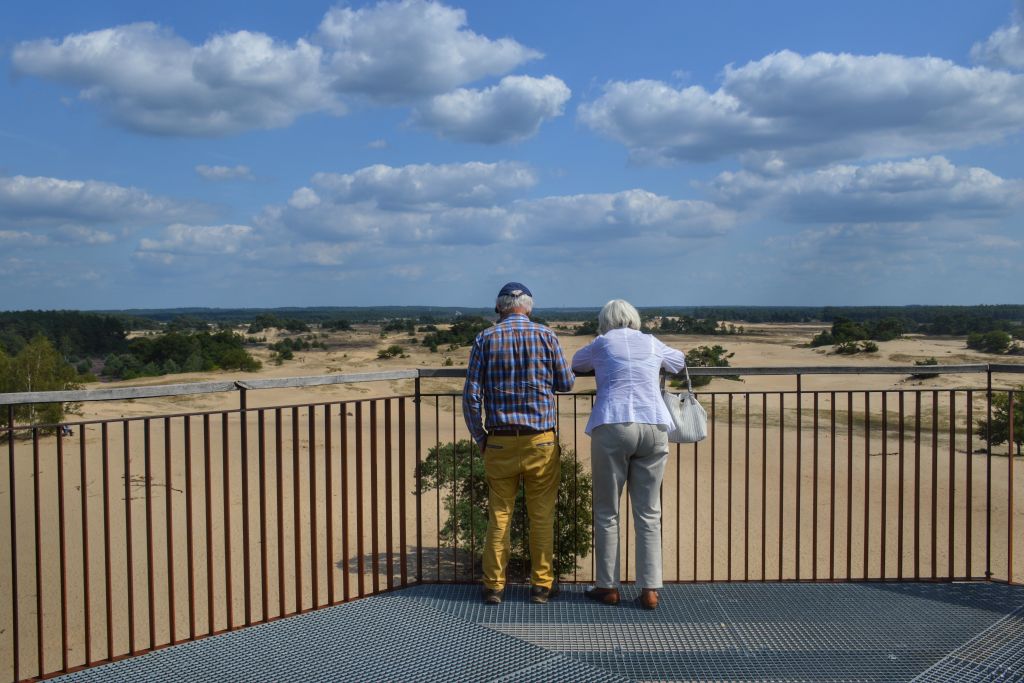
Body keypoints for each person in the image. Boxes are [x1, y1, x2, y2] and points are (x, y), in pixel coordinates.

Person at [463, 282, 575, 605]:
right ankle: (541, 585)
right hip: (540, 442)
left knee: (500, 515)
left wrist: (481, 438)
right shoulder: (546, 336)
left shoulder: (485, 339)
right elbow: (566, 383)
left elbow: (471, 397)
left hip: (499, 442)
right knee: (541, 515)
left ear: (499, 309)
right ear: (529, 307)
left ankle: (494, 585)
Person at [571, 299, 686, 610]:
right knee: (649, 512)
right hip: (654, 425)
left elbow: (575, 364)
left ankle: (607, 586)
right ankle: (650, 589)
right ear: (634, 319)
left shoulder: (601, 343)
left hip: (613, 423)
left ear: (604, 321)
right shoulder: (651, 342)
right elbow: (678, 361)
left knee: (608, 510)